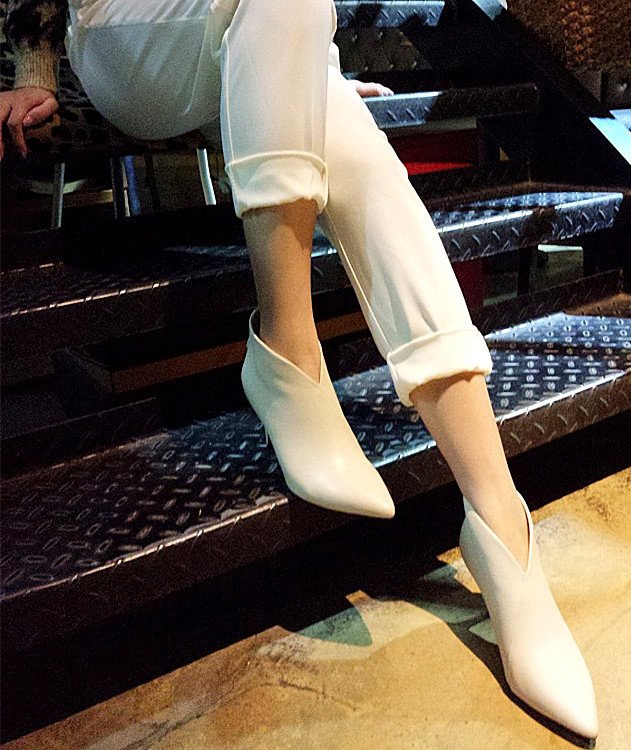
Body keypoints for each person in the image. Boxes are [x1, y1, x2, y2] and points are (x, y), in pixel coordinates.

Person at [0, 0, 599, 739]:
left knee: (340, 122)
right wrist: (33, 68)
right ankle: (292, 344)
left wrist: (315, 63)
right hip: (127, 39)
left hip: (242, 26)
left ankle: (497, 514)